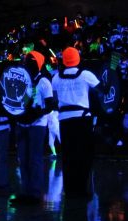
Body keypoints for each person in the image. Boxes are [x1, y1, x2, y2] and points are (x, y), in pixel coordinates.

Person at [52, 47, 103, 198]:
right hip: (82, 120)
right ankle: (82, 189)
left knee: (68, 156)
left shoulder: (56, 78)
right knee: (83, 154)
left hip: (64, 120)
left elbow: (55, 100)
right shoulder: (86, 75)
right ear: (78, 59)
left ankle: (69, 190)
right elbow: (101, 90)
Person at [10, 51, 56, 205]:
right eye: (26, 61)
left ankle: (35, 194)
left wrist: (39, 112)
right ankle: (25, 191)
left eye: (32, 61)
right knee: (23, 159)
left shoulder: (44, 82)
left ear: (39, 64)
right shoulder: (24, 80)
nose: (28, 63)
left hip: (37, 125)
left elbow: (50, 105)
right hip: (22, 124)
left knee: (34, 159)